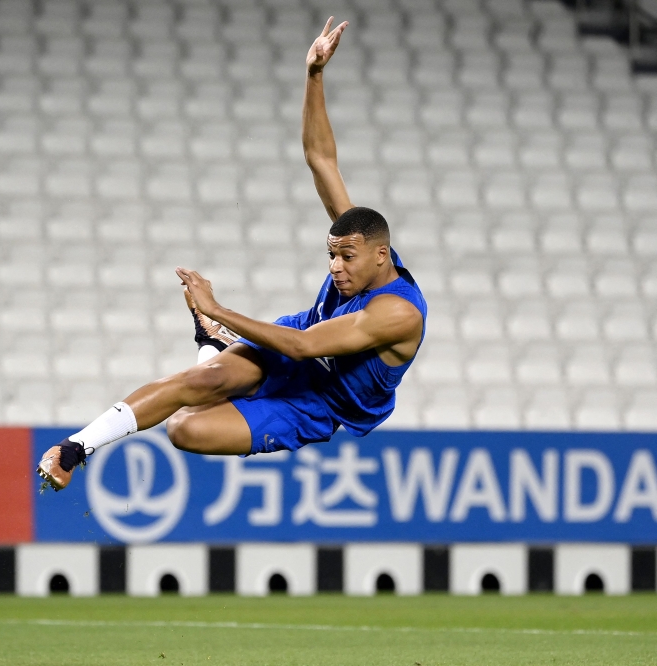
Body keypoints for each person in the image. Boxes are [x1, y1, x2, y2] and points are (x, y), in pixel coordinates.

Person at [37, 18, 427, 491]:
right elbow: (321, 159)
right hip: (291, 346)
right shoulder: (358, 235)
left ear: (382, 255)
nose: (335, 267)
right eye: (331, 255)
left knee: (185, 428)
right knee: (196, 383)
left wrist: (217, 311)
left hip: (318, 401)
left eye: (347, 258)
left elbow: (305, 348)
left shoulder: (398, 314)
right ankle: (74, 449)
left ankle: (212, 341)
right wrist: (314, 75)